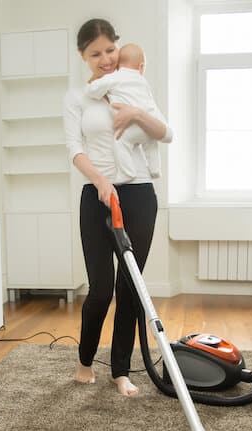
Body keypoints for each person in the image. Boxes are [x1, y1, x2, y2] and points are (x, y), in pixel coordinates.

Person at [63, 19, 173, 396]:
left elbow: (165, 132)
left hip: (139, 195)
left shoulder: (137, 86)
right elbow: (75, 149)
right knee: (101, 288)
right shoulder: (77, 97)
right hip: (97, 197)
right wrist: (101, 182)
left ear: (117, 47)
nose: (106, 59)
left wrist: (136, 114)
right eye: (96, 53)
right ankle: (84, 359)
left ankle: (121, 371)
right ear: (83, 56)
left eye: (110, 50)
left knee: (131, 287)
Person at [84, 43, 163, 179]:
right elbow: (150, 103)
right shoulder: (142, 81)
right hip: (146, 124)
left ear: (118, 65)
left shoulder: (115, 77)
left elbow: (93, 90)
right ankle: (155, 168)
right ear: (141, 66)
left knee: (120, 143)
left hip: (129, 128)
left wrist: (90, 87)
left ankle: (127, 173)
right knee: (151, 144)